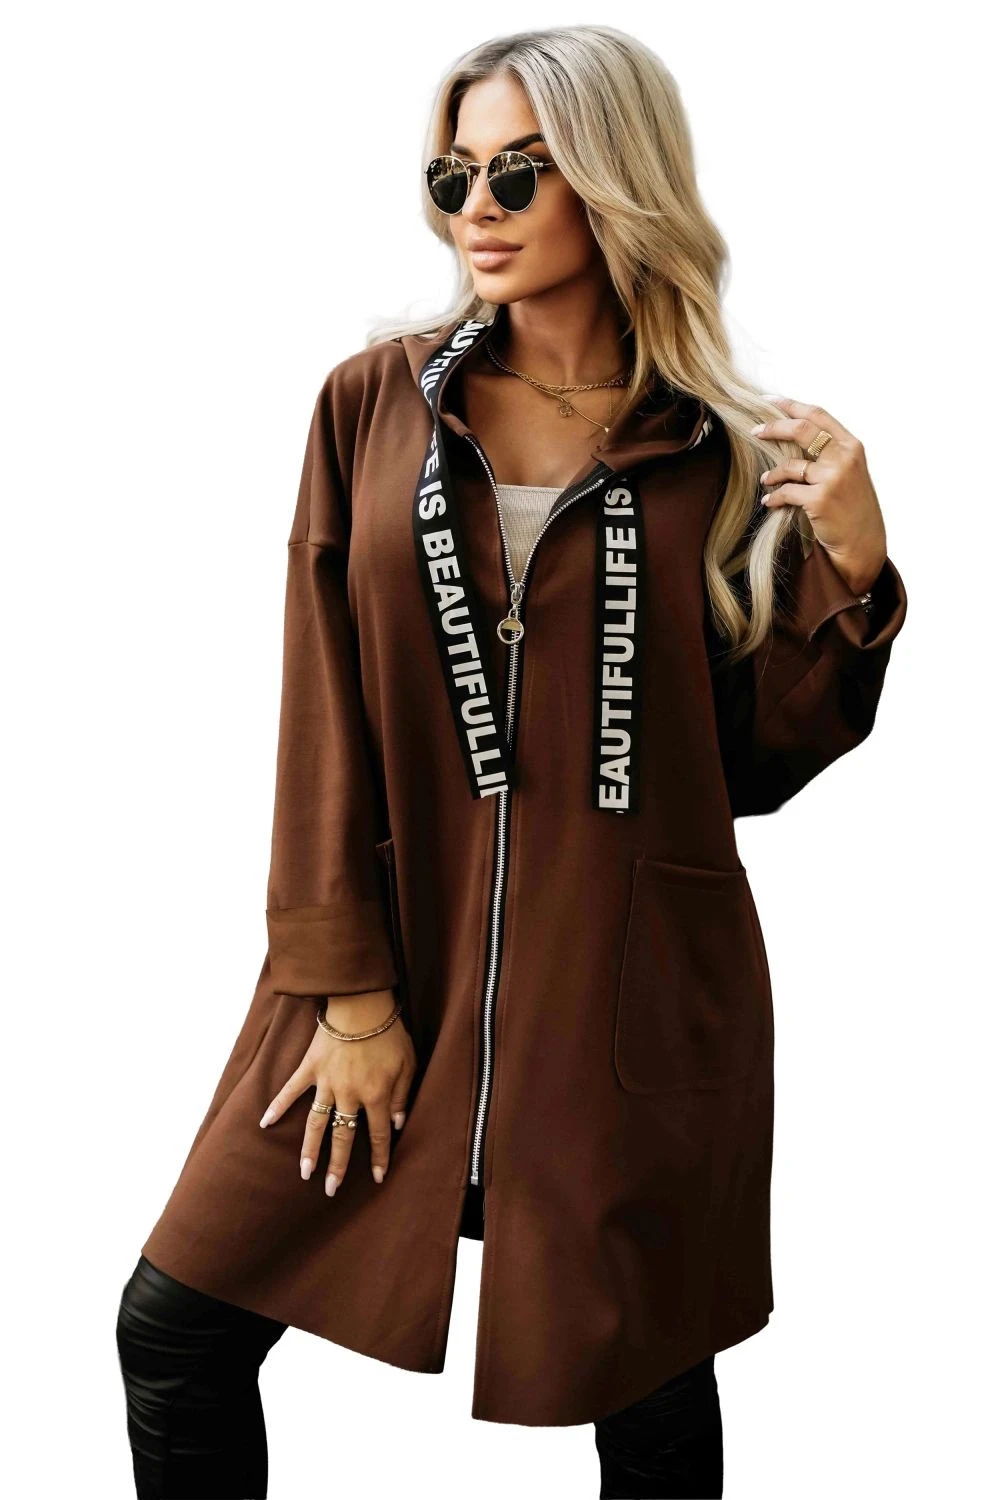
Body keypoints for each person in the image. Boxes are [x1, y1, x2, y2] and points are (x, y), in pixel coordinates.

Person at [115, 23, 908, 1500]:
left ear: (614, 181)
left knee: (647, 1386)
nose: (474, 207)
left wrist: (850, 578)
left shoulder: (720, 450)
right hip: (384, 959)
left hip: (627, 986)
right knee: (177, 1330)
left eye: (518, 174)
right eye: (454, 174)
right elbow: (321, 708)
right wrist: (346, 991)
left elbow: (749, 764)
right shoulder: (374, 405)